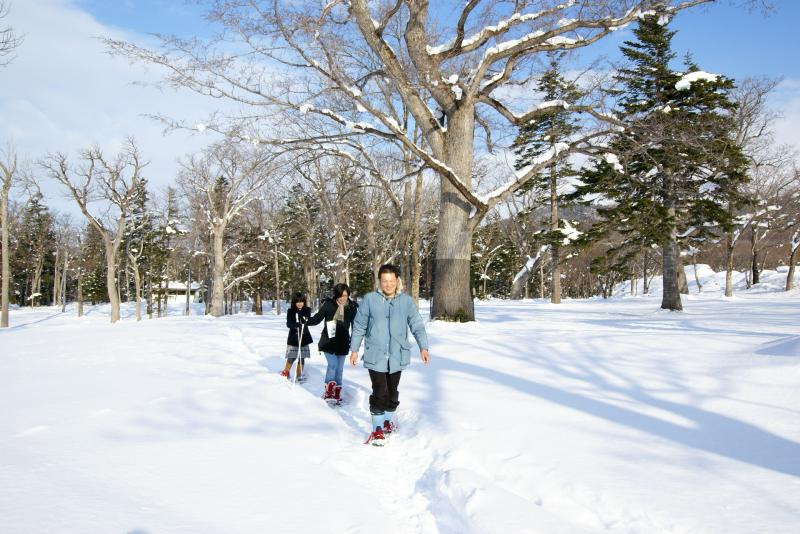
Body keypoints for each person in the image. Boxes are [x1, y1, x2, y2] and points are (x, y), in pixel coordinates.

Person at [349, 264, 430, 446]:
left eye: (391, 281)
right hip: (375, 354)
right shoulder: (370, 300)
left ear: (397, 281)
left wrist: (423, 347)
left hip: (397, 355)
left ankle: (387, 421)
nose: (388, 284)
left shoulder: (406, 302)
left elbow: (416, 324)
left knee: (392, 393)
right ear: (380, 281)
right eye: (384, 281)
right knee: (380, 391)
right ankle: (377, 429)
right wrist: (354, 349)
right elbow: (360, 326)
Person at [306, 283, 358, 404]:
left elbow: (356, 327)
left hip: (343, 342)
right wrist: (306, 321)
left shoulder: (352, 307)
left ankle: (337, 393)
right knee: (333, 365)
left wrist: (355, 344)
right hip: (328, 342)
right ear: (336, 295)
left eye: (346, 295)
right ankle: (329, 391)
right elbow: (317, 318)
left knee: (339, 370)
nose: (343, 298)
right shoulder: (329, 304)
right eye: (341, 295)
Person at [282, 292, 313, 381]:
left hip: (304, 337)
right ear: (294, 302)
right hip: (293, 337)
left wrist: (304, 320)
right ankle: (286, 372)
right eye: (297, 302)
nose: (300, 304)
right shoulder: (291, 311)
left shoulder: (307, 310)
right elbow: (288, 324)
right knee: (291, 356)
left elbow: (307, 320)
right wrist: (295, 324)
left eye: (301, 301)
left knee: (302, 357)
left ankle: (299, 374)